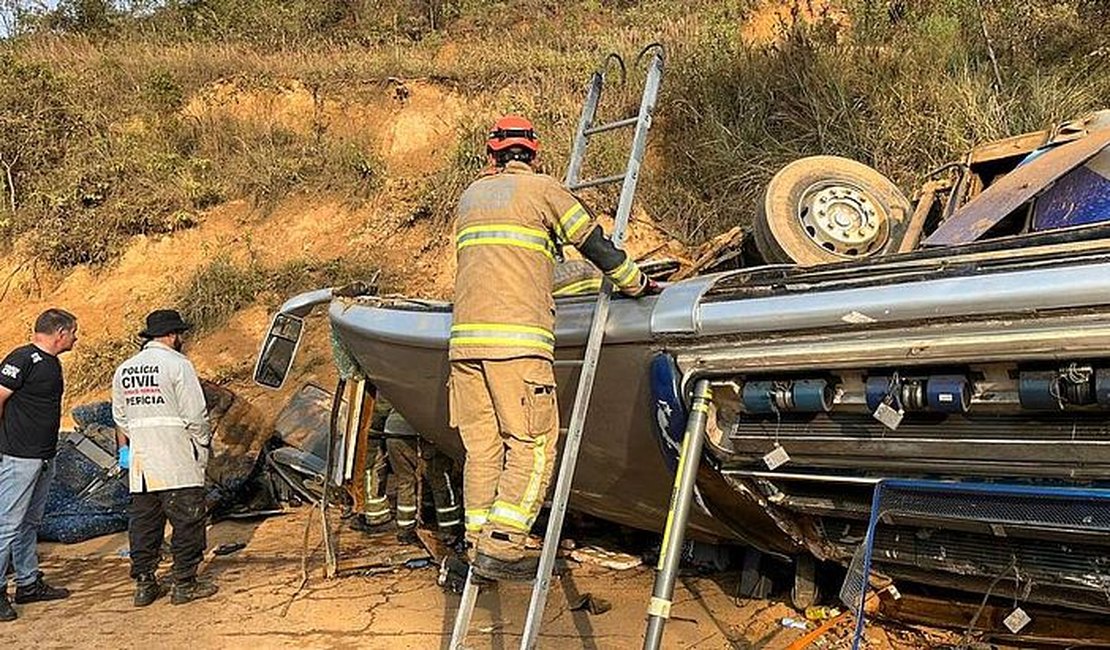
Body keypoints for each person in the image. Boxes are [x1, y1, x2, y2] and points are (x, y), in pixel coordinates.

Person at [450, 115, 658, 580]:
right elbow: (592, 243)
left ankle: (475, 542)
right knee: (533, 444)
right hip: (517, 345)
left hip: (464, 349)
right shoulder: (543, 189)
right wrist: (634, 282)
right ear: (534, 153)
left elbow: (504, 263)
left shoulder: (470, 198)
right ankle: (502, 545)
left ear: (492, 155)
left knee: (483, 450)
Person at [112, 309, 217, 607]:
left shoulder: (125, 369)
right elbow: (195, 414)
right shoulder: (178, 365)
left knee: (145, 524)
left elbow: (120, 416)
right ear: (172, 335)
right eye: (179, 334)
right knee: (188, 520)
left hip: (141, 463)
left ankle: (145, 585)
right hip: (177, 457)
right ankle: (184, 583)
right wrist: (202, 444)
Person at [0, 309, 78, 622]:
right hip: (19, 456)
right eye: (73, 332)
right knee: (7, 525)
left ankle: (28, 583)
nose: (76, 338)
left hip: (43, 456)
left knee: (29, 523)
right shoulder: (22, 359)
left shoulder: (50, 362)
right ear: (60, 332)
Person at [382, 411, 463, 547]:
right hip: (422, 433)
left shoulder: (401, 390)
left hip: (392, 432)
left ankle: (405, 530)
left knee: (405, 481)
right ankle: (449, 530)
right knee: (441, 481)